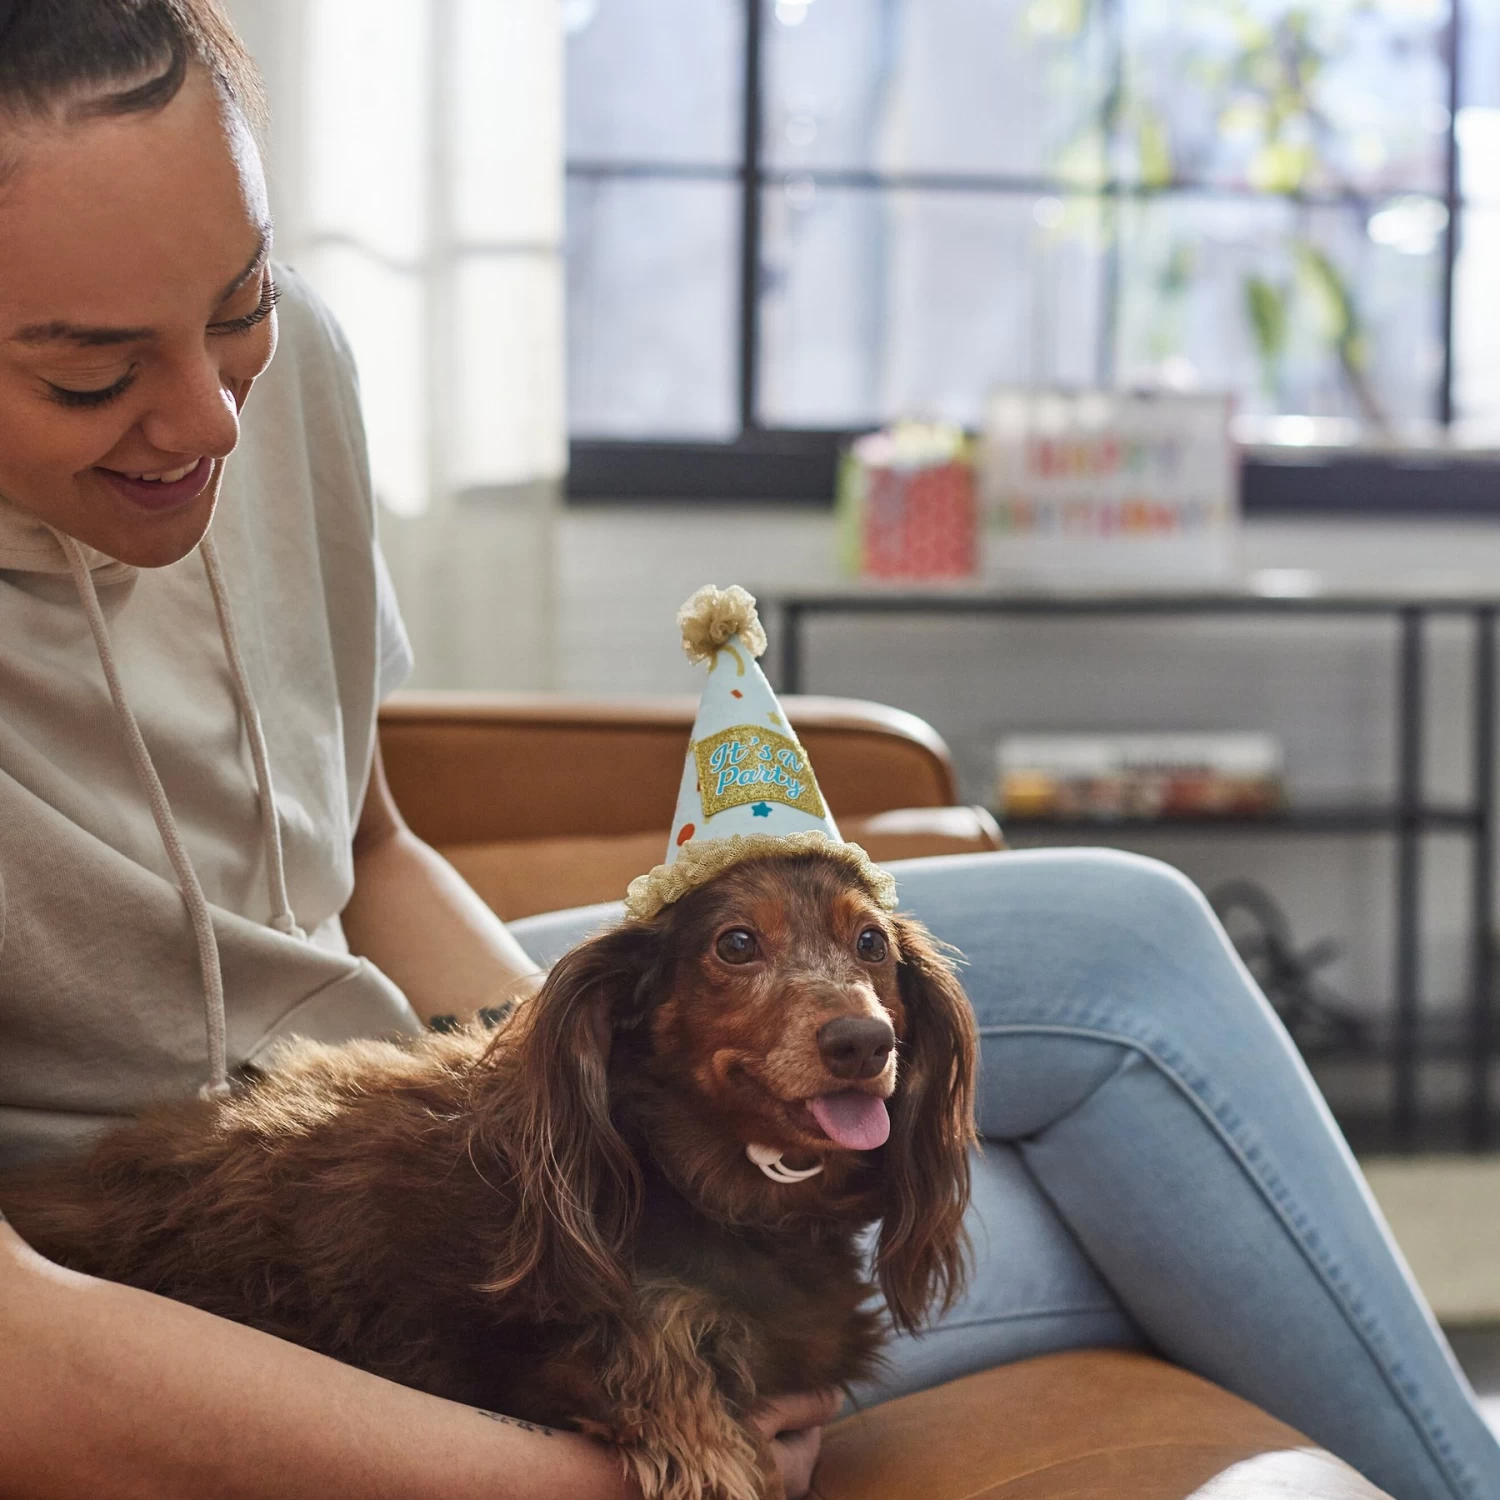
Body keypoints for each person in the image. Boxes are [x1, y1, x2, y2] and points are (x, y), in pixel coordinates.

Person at [0, 4, 1493, 1499]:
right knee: (1139, 1217)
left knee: (1127, 945)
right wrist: (603, 1466)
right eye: (90, 375)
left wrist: (594, 1124)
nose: (208, 412)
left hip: (410, 1112)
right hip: (164, 1264)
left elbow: (371, 847)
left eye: (239, 300)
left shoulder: (294, 372)